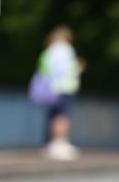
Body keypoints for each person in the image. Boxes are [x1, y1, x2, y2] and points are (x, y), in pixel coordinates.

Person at [37, 26, 86, 160]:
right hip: (64, 87)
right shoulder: (66, 49)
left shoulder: (49, 51)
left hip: (51, 88)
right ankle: (60, 144)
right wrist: (79, 67)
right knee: (62, 116)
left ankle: (52, 143)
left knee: (53, 116)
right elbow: (67, 69)